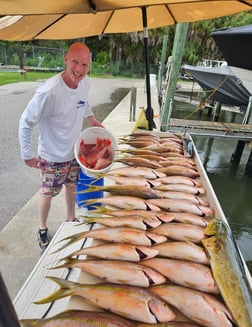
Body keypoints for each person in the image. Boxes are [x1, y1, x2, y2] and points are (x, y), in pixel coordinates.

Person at [18, 42, 103, 251]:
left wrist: (91, 119)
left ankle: (71, 218)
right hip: (51, 155)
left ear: (89, 66)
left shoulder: (85, 84)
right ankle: (42, 228)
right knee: (47, 192)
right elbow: (26, 121)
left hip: (73, 151)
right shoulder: (49, 91)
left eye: (84, 64)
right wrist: (27, 155)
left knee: (72, 186)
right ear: (66, 59)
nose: (79, 69)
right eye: (75, 62)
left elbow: (83, 102)